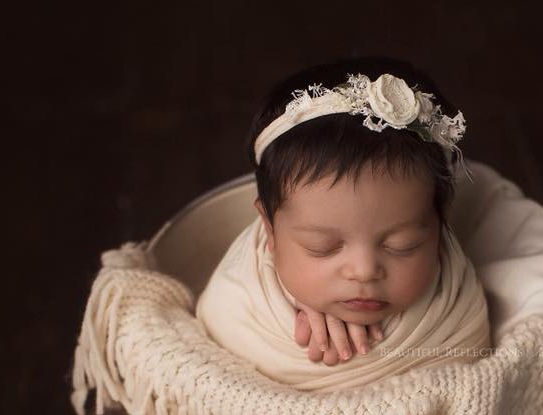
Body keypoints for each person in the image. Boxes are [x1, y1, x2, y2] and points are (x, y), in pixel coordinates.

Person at [196, 56, 492, 391]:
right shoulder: (240, 302)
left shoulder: (454, 307)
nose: (364, 271)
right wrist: (292, 300)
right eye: (322, 248)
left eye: (403, 245)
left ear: (439, 224)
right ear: (269, 229)